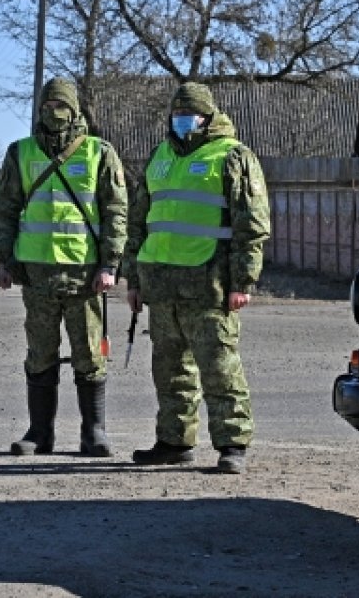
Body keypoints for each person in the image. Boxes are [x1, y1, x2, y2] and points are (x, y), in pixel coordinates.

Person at [124, 82, 270, 474]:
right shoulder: (160, 156)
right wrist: (133, 280)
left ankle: (232, 445)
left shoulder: (233, 157)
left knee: (220, 368)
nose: (181, 120)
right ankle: (174, 441)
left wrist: (243, 281)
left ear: (208, 117)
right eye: (175, 114)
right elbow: (138, 221)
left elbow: (251, 226)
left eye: (189, 114)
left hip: (211, 285)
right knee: (169, 372)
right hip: (161, 286)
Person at [0, 77, 128, 457]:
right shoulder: (20, 152)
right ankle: (39, 433)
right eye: (48, 106)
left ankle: (93, 432)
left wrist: (110, 263)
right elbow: (4, 209)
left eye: (62, 106)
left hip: (86, 275)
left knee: (89, 354)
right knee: (40, 352)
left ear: (76, 110)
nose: (55, 113)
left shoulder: (99, 152)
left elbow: (116, 211)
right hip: (37, 274)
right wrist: (3, 259)